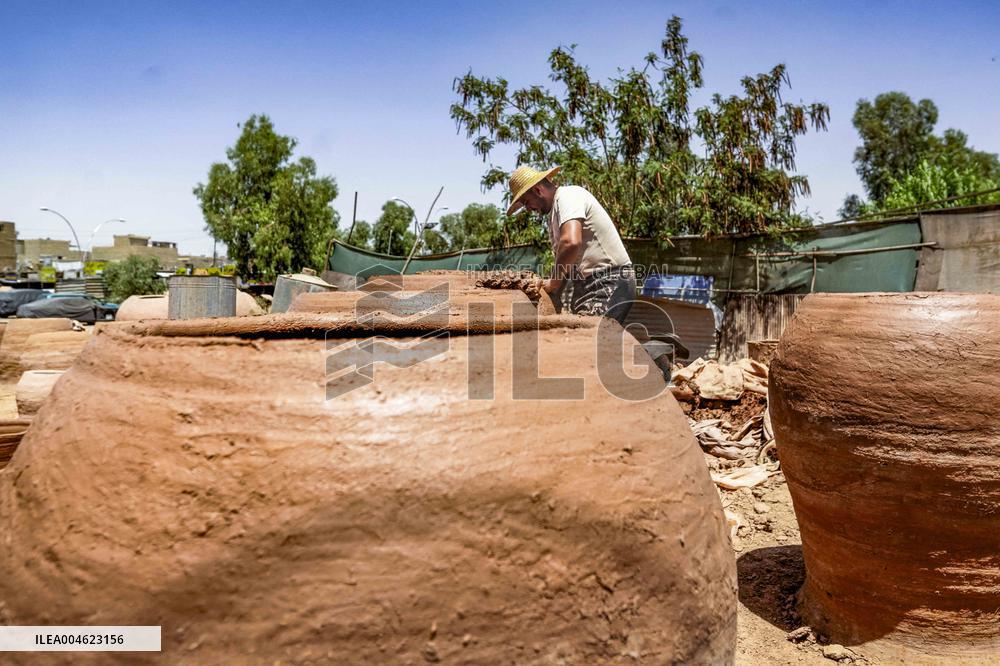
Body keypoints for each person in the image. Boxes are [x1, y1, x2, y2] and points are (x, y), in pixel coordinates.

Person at [506, 165, 636, 324]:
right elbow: (566, 262)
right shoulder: (555, 214)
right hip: (587, 284)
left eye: (526, 202)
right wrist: (552, 296)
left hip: (609, 281)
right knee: (589, 342)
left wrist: (552, 283)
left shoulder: (568, 196)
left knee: (587, 340)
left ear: (538, 190)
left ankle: (658, 349)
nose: (527, 209)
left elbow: (571, 243)